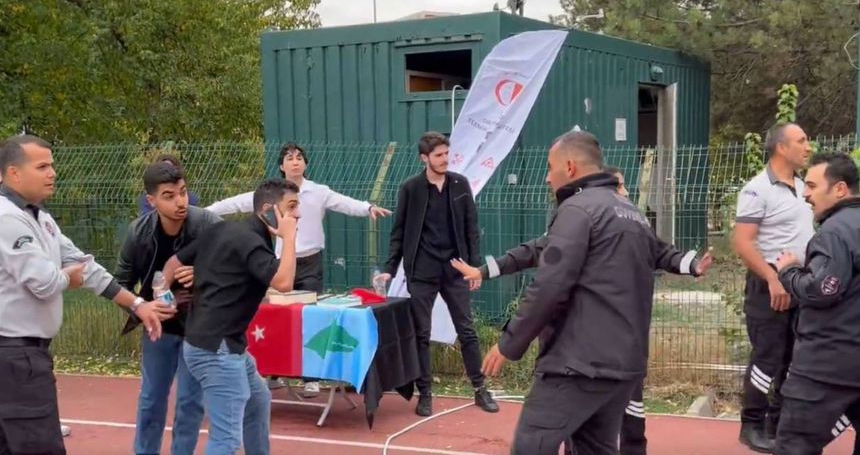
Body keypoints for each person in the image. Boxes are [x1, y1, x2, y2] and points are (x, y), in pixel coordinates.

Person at [452, 164, 713, 455]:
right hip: (623, 355)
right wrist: (484, 271)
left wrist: (509, 343)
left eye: (551, 168)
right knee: (595, 442)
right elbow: (533, 251)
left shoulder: (589, 214)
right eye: (620, 186)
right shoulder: (631, 219)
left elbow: (549, 284)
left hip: (581, 360)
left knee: (538, 443)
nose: (623, 192)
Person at [0, 134, 171, 455]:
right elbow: (44, 282)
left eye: (52, 165)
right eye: (42, 166)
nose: (52, 173)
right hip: (15, 359)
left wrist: (137, 304)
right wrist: (67, 277)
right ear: (14, 173)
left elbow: (85, 267)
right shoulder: (7, 218)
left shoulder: (42, 219)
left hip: (24, 357)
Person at [206, 142, 390, 395]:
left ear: (305, 164)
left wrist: (368, 207)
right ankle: (273, 372)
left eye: (299, 157)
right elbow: (236, 203)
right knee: (278, 317)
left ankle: (310, 377)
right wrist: (205, 212)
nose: (295, 161)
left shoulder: (319, 191)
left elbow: (345, 203)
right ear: (281, 166)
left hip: (311, 263)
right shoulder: (271, 194)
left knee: (310, 317)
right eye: (289, 158)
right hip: (283, 264)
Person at [160, 178, 300, 455]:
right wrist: (291, 237)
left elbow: (173, 263)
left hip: (218, 345)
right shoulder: (250, 242)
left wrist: (162, 294)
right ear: (270, 210)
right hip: (217, 350)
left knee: (258, 400)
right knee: (226, 439)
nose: (297, 215)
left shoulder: (225, 229)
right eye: (292, 207)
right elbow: (284, 282)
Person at [374, 131, 499, 417]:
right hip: (422, 271)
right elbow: (399, 232)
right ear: (424, 158)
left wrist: (475, 269)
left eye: (446, 154)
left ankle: (480, 389)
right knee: (422, 333)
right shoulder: (411, 189)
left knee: (466, 330)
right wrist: (390, 269)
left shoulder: (460, 184)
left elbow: (471, 230)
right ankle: (425, 394)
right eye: (439, 155)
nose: (445, 159)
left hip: (455, 270)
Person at [115, 161, 222, 455]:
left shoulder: (208, 224)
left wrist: (204, 275)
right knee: (151, 399)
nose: (180, 202)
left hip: (199, 330)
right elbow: (119, 283)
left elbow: (234, 271)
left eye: (183, 192)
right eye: (169, 196)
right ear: (151, 200)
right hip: (158, 329)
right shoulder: (138, 233)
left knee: (190, 403)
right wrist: (141, 307)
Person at [732, 123, 814, 452]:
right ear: (781, 147)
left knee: (793, 359)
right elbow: (742, 241)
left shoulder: (801, 187)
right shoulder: (757, 189)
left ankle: (777, 424)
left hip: (799, 285)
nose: (808, 146)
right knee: (767, 357)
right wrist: (771, 277)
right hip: (769, 286)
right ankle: (751, 424)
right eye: (802, 141)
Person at [774, 152, 860, 455]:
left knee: (795, 445)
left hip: (825, 366)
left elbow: (824, 288)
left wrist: (789, 271)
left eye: (811, 185)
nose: (806, 194)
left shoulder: (835, 232)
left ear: (839, 189)